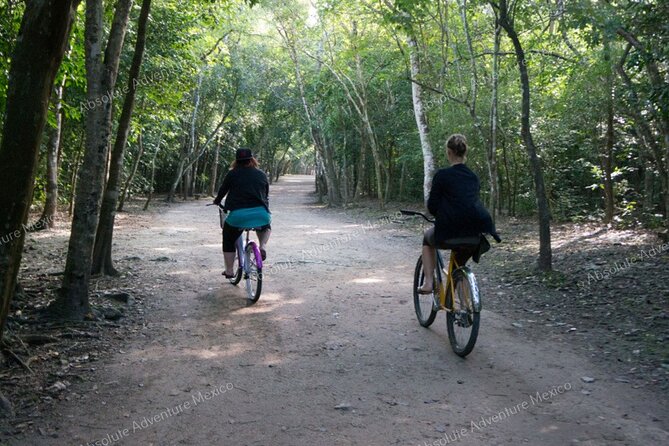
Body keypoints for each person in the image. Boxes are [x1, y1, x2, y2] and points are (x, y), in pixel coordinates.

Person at [419, 134, 500, 294]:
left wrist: (439, 214)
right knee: (459, 261)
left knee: (427, 240)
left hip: (450, 230)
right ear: (464, 152)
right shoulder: (473, 177)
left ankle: (428, 283)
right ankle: (453, 295)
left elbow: (433, 205)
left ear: (449, 152)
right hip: (475, 233)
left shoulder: (442, 175)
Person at [213, 148, 271, 278]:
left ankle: (229, 270)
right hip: (261, 214)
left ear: (236, 161)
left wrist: (217, 201)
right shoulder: (261, 174)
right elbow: (265, 195)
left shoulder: (232, 174)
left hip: (238, 216)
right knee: (266, 227)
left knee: (228, 237)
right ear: (252, 160)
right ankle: (262, 246)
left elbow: (223, 191)